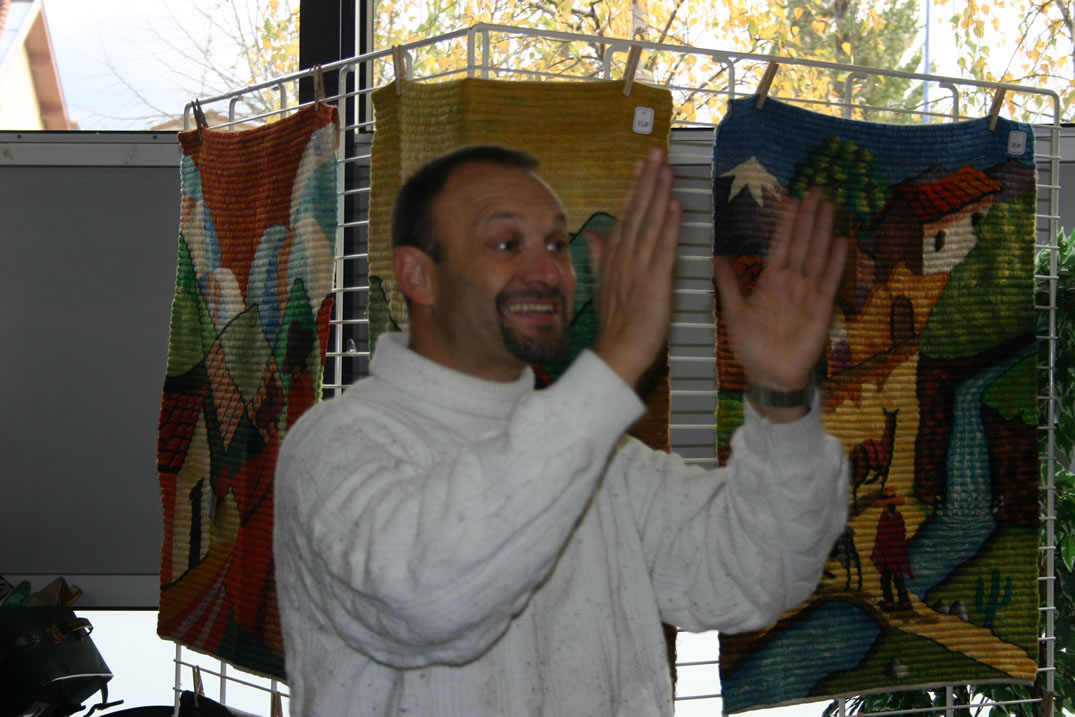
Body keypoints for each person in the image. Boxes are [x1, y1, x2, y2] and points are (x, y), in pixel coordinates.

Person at [274, 144, 850, 715]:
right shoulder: (334, 446)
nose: (549, 270)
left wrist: (782, 403)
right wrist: (616, 362)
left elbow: (753, 576)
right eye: (506, 243)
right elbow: (424, 600)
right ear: (419, 275)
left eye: (555, 243)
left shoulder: (604, 462)